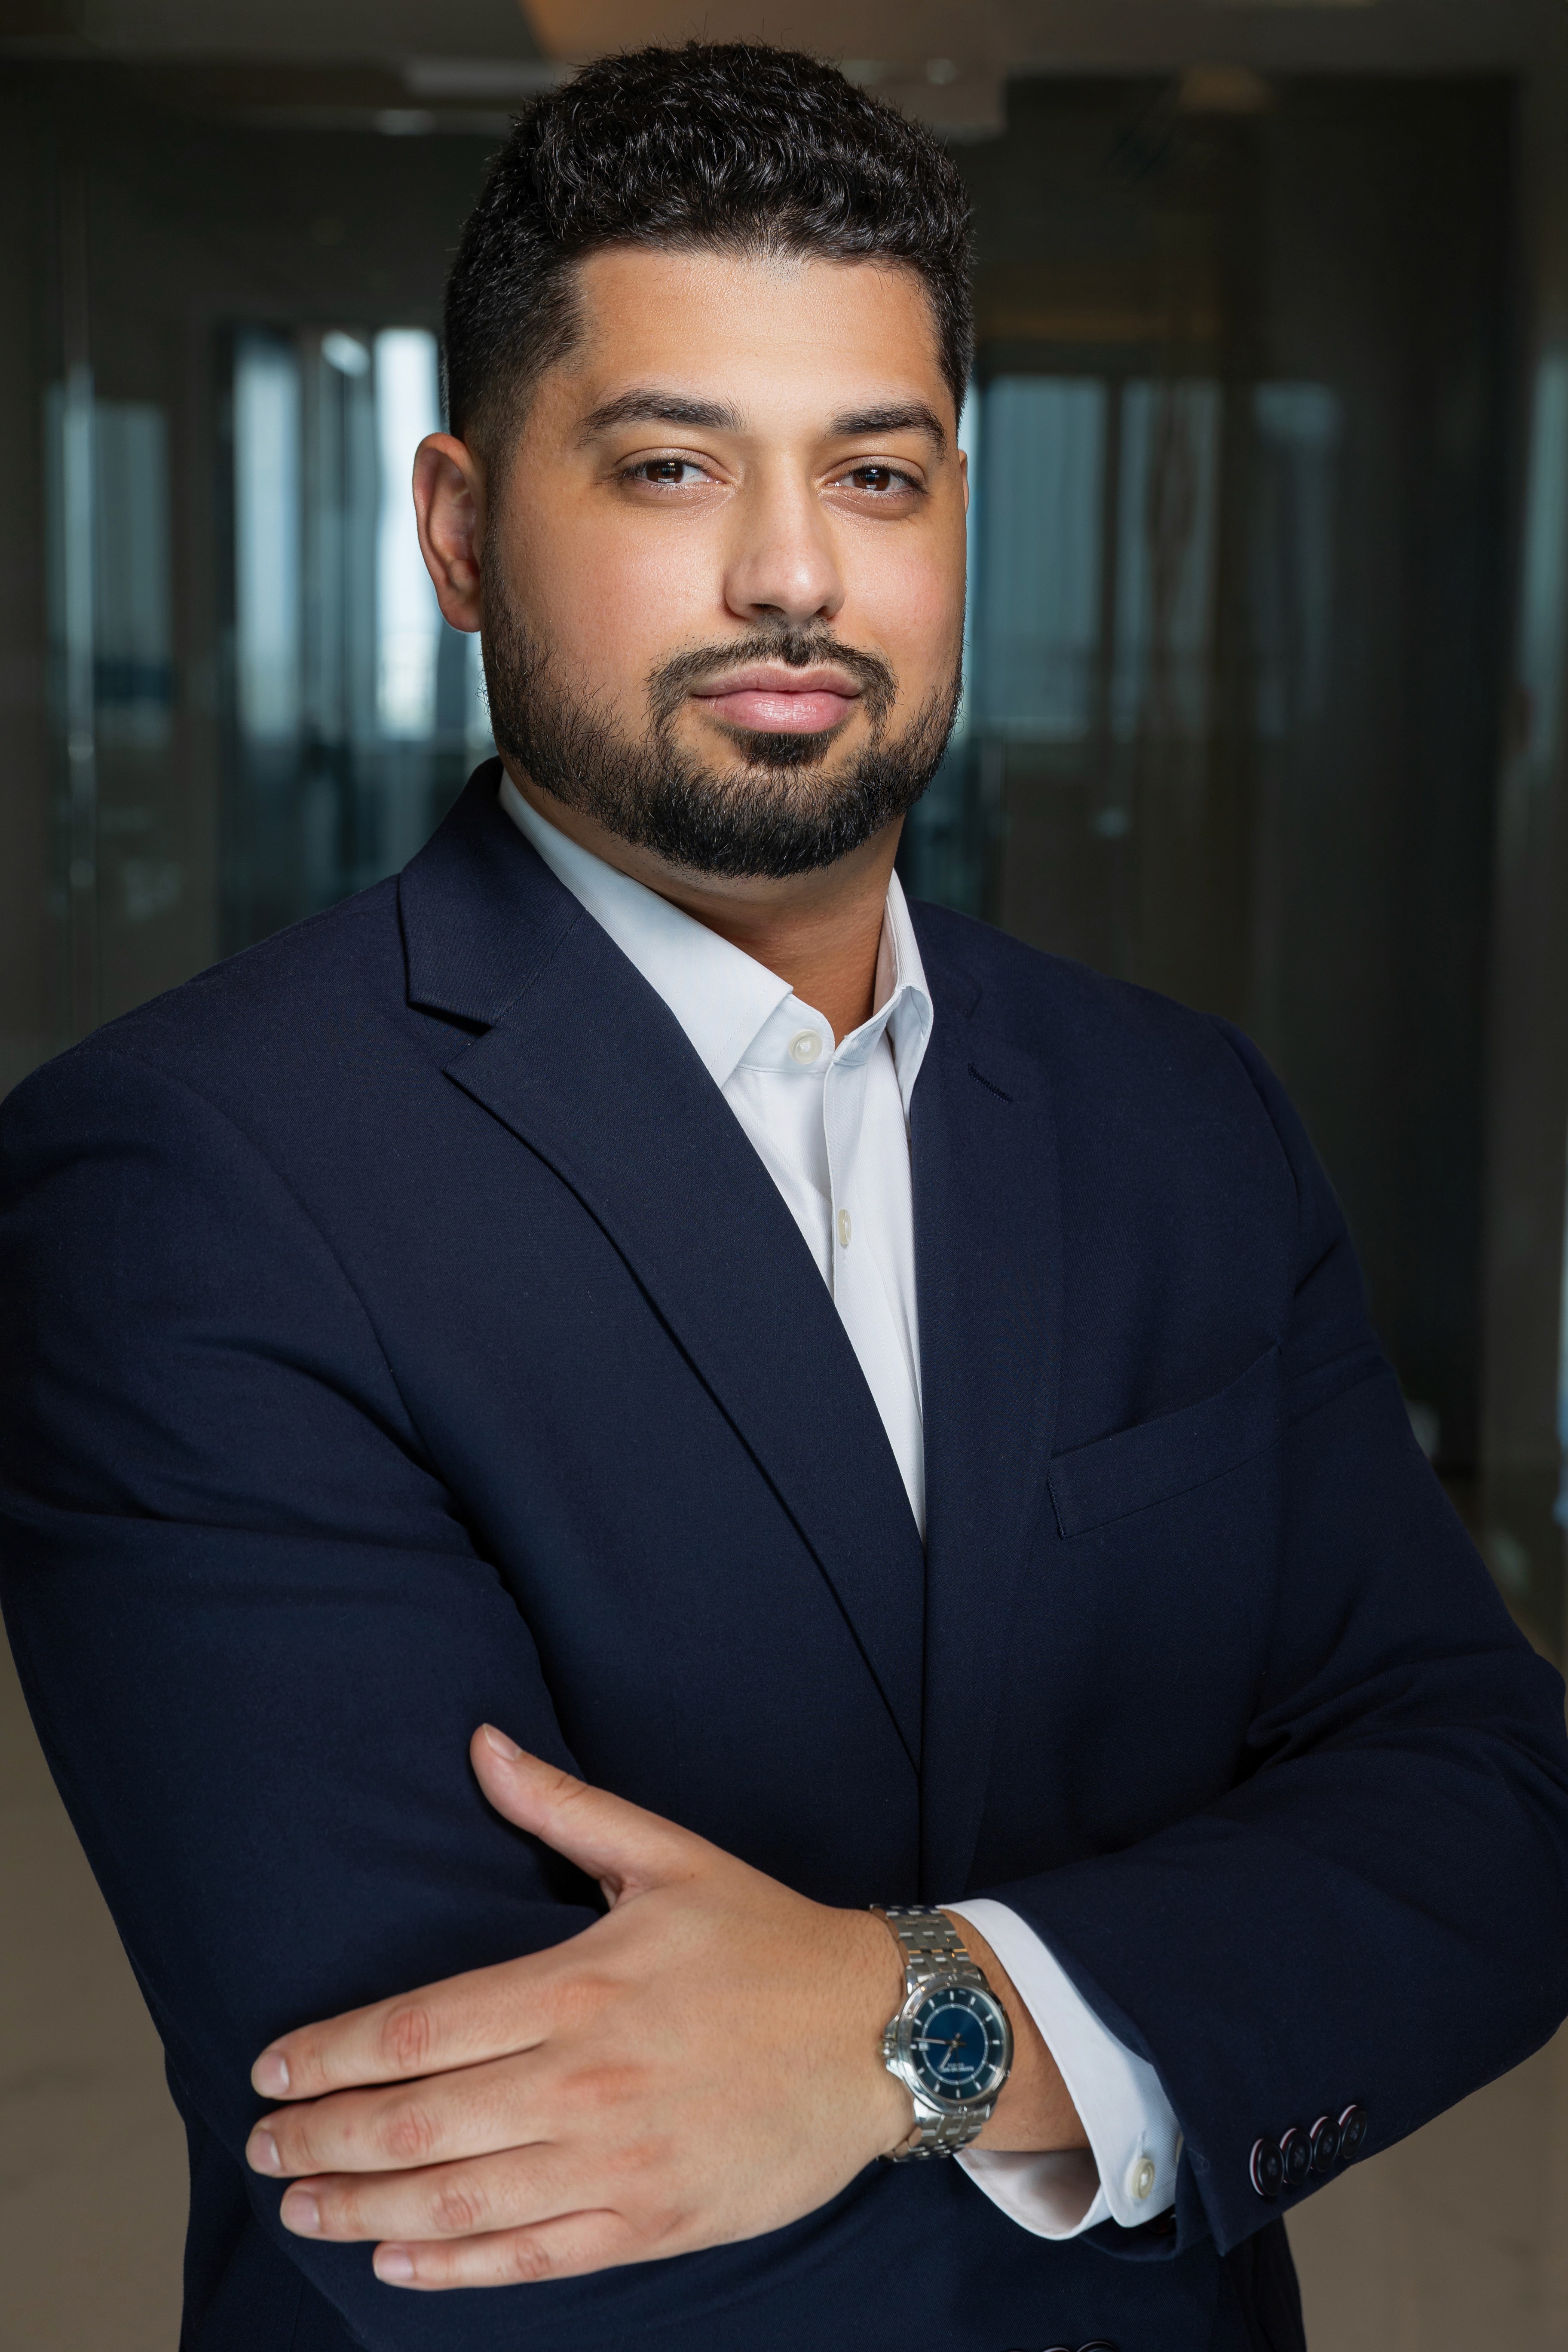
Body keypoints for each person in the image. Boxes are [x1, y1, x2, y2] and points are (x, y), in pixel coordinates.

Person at [3, 41, 1566, 2352]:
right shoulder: (187, 1179)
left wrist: (895, 2030)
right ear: (455, 527)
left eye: (878, 469)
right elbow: (455, 2185)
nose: (793, 574)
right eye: (667, 465)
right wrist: (1166, 2001)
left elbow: (1493, 1826)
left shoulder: (1182, 1122)